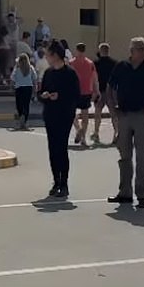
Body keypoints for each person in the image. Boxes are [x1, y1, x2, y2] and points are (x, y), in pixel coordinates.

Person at [107, 37, 144, 209]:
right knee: (124, 156)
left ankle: (141, 195)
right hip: (124, 115)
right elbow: (110, 88)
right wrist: (112, 108)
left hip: (141, 116)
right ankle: (125, 193)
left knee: (142, 158)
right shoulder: (121, 67)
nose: (143, 52)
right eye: (140, 49)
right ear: (132, 51)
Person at [39, 40, 81, 199]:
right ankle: (56, 181)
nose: (46, 57)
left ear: (55, 55)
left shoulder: (70, 73)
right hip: (50, 114)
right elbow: (40, 92)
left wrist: (60, 96)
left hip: (64, 115)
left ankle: (64, 184)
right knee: (52, 148)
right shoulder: (48, 73)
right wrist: (44, 96)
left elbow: (76, 95)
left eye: (48, 55)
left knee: (61, 148)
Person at [70, 43, 99, 146]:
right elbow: (95, 78)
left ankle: (78, 129)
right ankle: (83, 137)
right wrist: (96, 90)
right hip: (86, 91)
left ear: (76, 50)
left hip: (74, 91)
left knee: (71, 113)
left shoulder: (71, 63)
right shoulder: (90, 63)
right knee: (85, 115)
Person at [93, 43, 118, 145]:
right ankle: (116, 133)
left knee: (97, 112)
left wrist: (94, 90)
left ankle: (96, 133)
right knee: (114, 114)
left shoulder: (95, 63)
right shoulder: (115, 63)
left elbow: (93, 78)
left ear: (100, 51)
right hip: (111, 91)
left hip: (100, 90)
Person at [11, 53, 37, 130]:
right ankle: (24, 122)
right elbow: (34, 79)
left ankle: (21, 121)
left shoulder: (17, 68)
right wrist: (35, 89)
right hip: (28, 88)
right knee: (26, 105)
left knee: (19, 105)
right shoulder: (30, 68)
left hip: (19, 88)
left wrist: (11, 86)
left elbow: (12, 78)